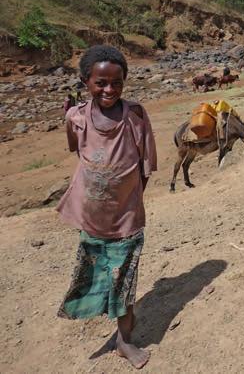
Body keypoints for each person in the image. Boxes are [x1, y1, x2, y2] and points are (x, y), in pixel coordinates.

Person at [56, 45, 157, 369]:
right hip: (92, 217)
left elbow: (145, 165)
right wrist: (68, 117)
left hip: (126, 218)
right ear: (86, 81)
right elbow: (76, 148)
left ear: (125, 81)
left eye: (116, 83)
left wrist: (130, 201)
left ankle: (124, 341)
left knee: (124, 282)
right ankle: (118, 325)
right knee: (99, 277)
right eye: (101, 83)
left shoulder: (135, 116)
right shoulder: (77, 116)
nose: (109, 90)